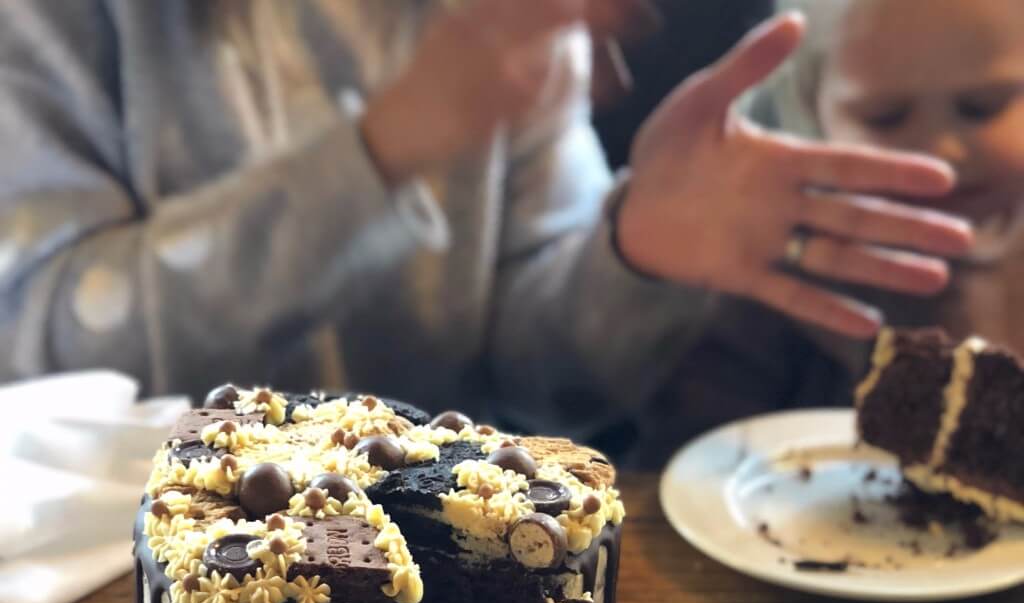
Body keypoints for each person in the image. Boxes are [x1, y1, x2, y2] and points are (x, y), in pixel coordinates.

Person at [0, 1, 971, 446]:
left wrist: (632, 249)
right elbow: (43, 352)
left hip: (448, 580)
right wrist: (380, 152)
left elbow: (544, 376)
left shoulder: (509, 19)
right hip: (117, 598)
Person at [632, 0, 1024, 465]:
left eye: (981, 107)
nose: (941, 148)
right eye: (885, 116)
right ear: (812, 107)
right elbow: (683, 468)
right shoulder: (777, 287)